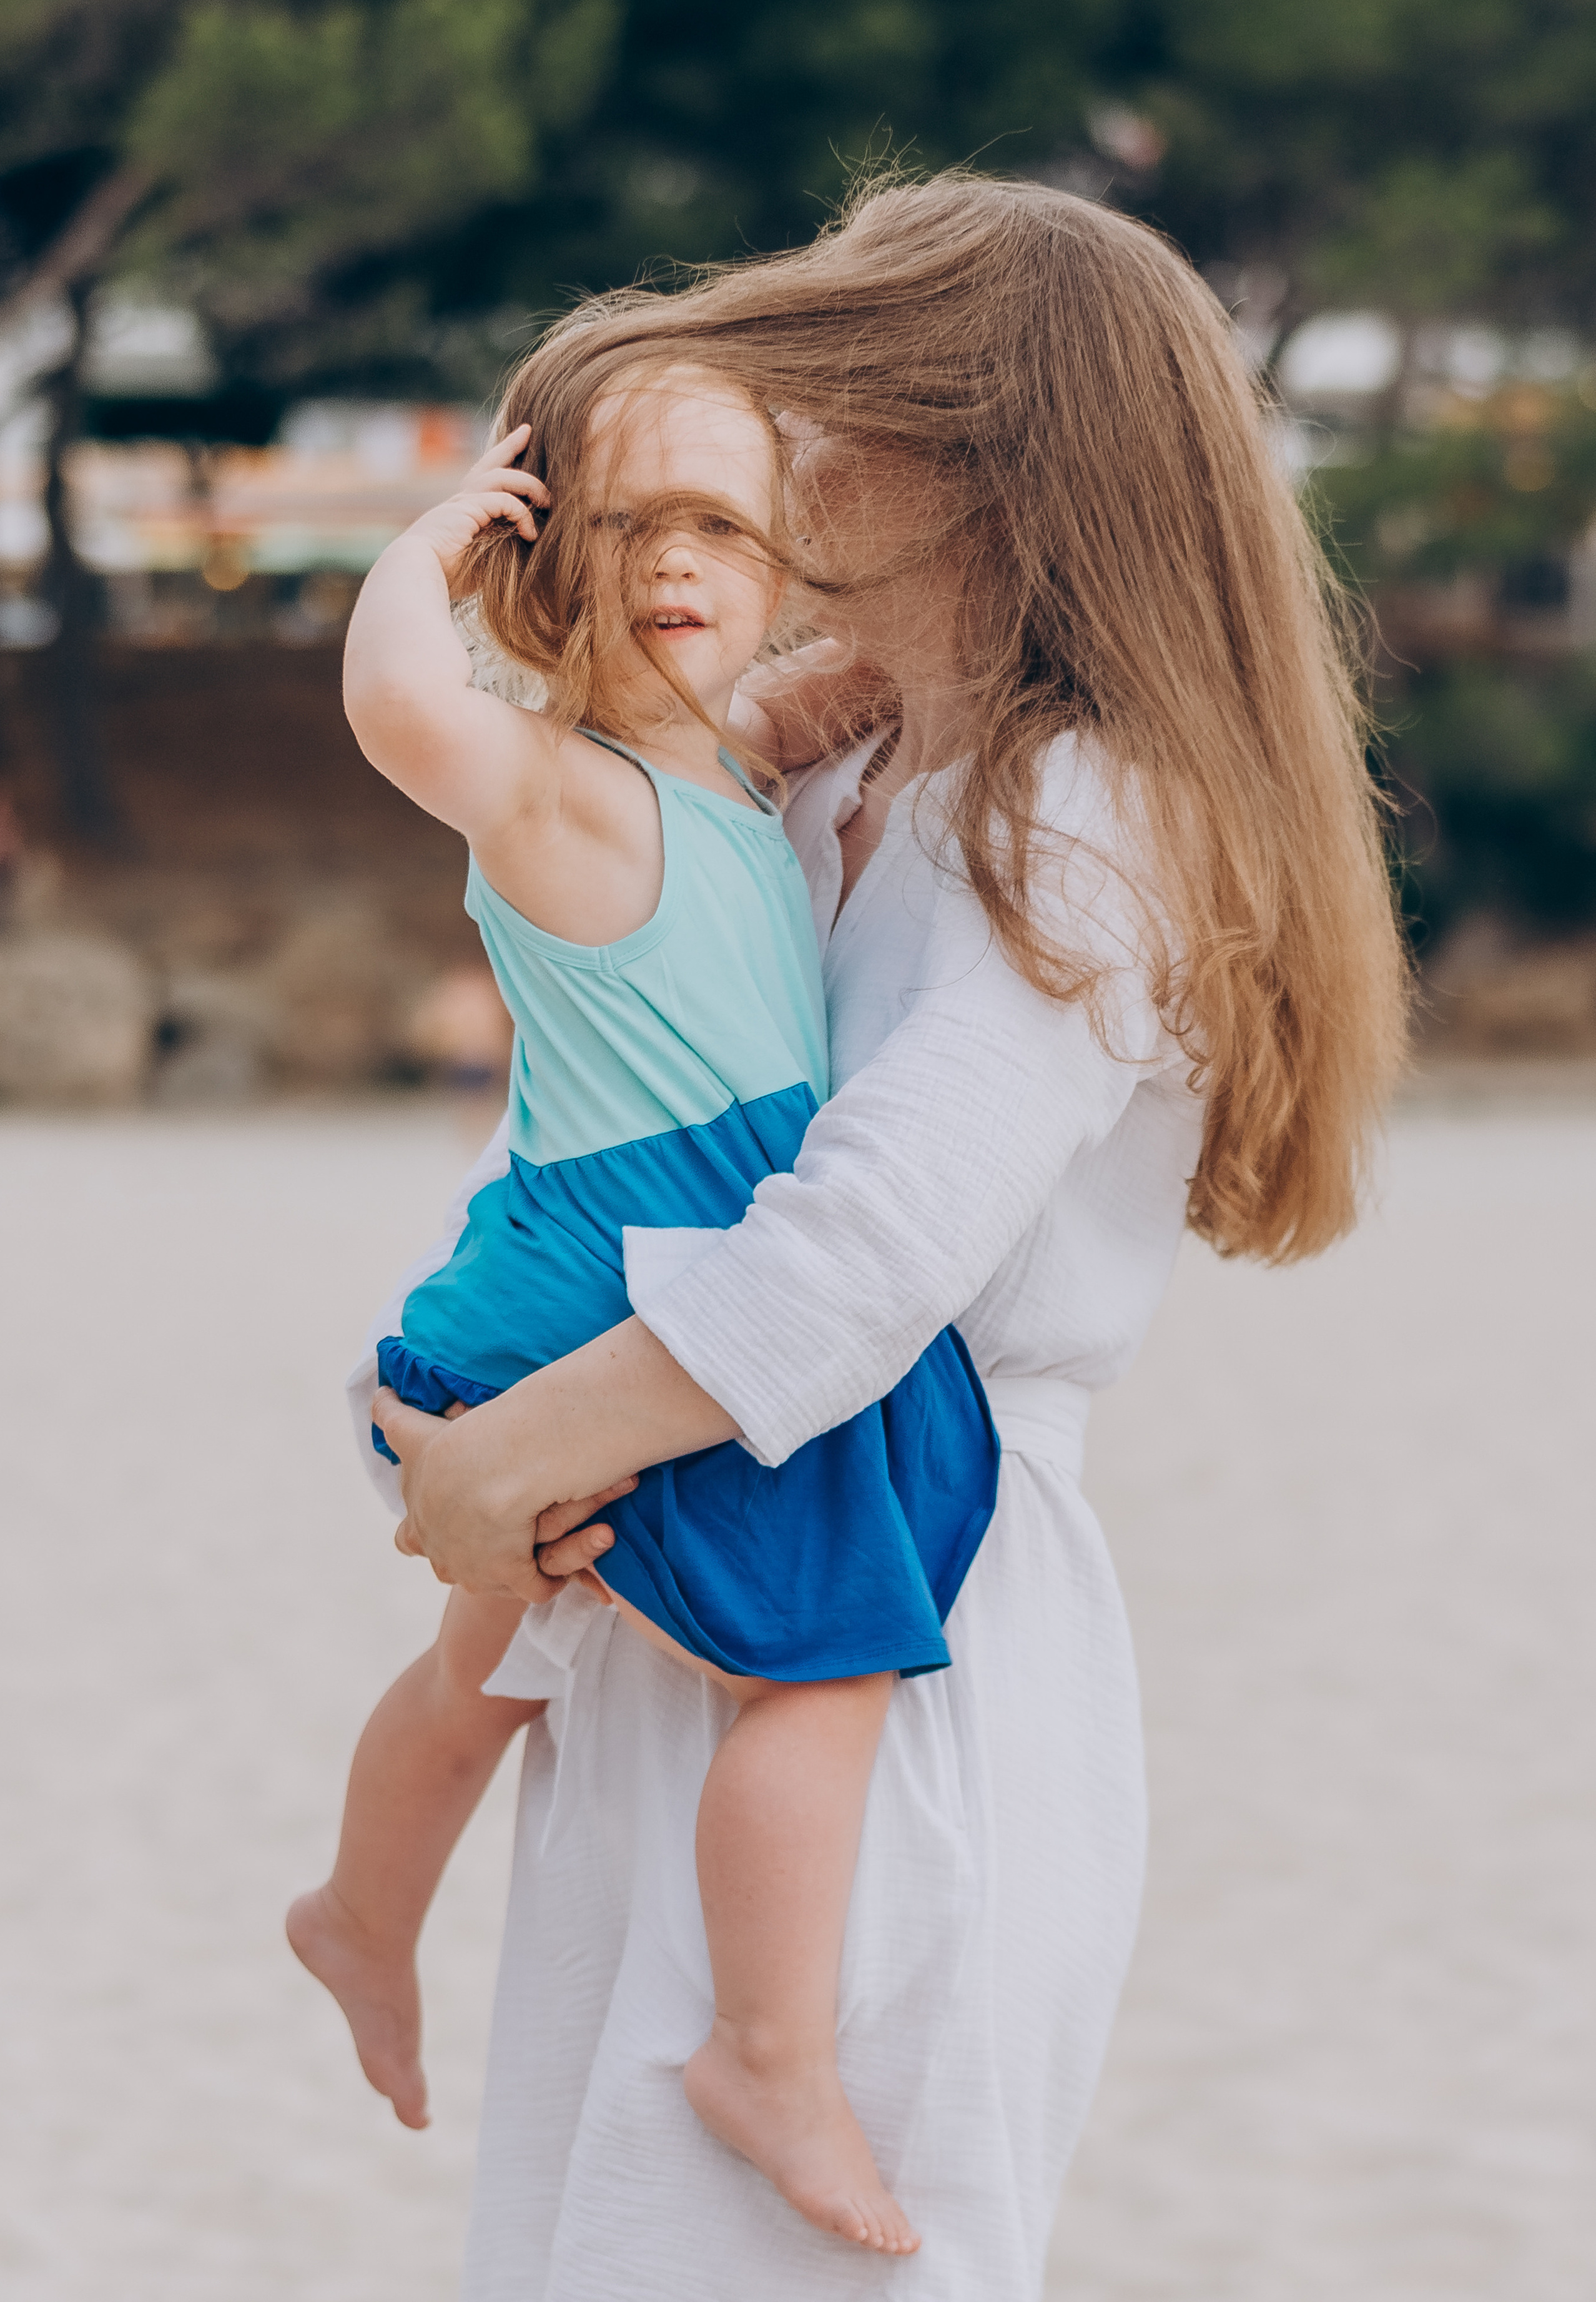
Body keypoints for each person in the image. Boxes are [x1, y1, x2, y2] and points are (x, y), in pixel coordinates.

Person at [362, 173, 1409, 2301]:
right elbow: (628, 1137)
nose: (795, 431)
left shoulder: (1089, 804)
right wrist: (462, 1426)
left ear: (976, 459)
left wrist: (498, 1463)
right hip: (689, 1567)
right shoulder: (827, 785)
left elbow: (867, 1251)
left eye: (846, 389)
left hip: (902, 1604)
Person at [288, 354, 998, 2256]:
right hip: (614, 1284)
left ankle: (359, 1912)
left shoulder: (743, 772)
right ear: (540, 561)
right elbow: (394, 704)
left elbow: (850, 683)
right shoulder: (556, 789)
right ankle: (769, 2052)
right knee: (821, 1662)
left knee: (485, 1668)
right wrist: (432, 546)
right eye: (623, 526)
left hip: (601, 1261)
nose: (677, 562)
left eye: (720, 528)